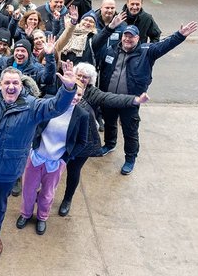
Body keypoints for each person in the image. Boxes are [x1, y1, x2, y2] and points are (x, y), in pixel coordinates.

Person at [0, 30, 77, 271]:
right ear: (0, 84)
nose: (11, 87)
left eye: (15, 83)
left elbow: (55, 107)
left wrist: (69, 90)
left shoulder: (33, 106)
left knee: (0, 206)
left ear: (22, 86)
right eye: (6, 82)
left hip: (8, 171)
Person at [92, 16, 198, 175]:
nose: (127, 39)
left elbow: (165, 45)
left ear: (138, 38)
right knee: (109, 123)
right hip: (109, 98)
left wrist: (180, 35)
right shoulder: (111, 50)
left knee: (130, 130)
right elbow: (95, 47)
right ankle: (110, 144)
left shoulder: (147, 52)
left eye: (131, 37)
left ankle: (130, 158)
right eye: (125, 36)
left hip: (130, 101)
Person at [56, 62, 150, 216]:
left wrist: (135, 100)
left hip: (83, 139)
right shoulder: (66, 86)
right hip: (62, 136)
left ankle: (67, 199)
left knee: (73, 171)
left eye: (85, 77)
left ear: (90, 80)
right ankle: (46, 193)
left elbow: (111, 98)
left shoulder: (93, 93)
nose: (81, 78)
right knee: (53, 168)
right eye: (79, 75)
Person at [16, 73, 90, 235]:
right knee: (28, 189)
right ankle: (26, 214)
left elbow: (82, 142)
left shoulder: (83, 115)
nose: (76, 97)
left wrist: (65, 158)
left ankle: (42, 217)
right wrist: (30, 146)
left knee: (48, 193)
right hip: (36, 156)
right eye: (74, 92)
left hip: (55, 162)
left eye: (79, 94)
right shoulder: (50, 104)